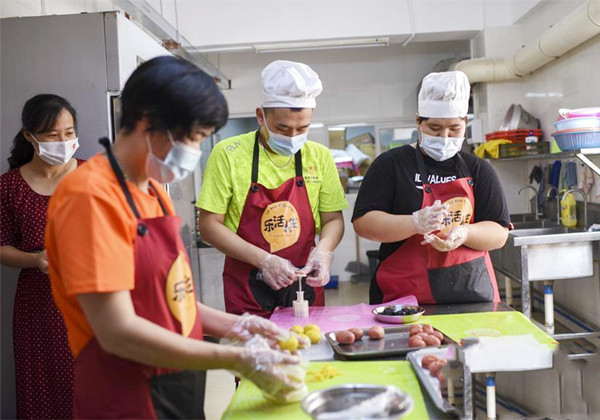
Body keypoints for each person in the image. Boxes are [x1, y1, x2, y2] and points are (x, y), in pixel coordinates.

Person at [45, 56, 303, 419]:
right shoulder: (89, 196)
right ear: (149, 121)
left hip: (178, 378)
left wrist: (239, 325)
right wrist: (236, 358)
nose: (194, 152)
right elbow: (117, 331)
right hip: (126, 394)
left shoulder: (153, 191)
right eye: (192, 137)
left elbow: (170, 303)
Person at [197, 60, 348, 318]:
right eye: (282, 128)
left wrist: (324, 251)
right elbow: (209, 226)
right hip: (248, 287)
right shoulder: (229, 154)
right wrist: (264, 261)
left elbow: (333, 219)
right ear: (261, 116)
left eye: (302, 129)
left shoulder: (319, 157)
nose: (293, 137)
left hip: (304, 286)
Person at [352, 71, 510, 305]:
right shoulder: (391, 165)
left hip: (470, 297)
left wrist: (465, 232)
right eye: (435, 128)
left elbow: (498, 232)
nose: (445, 137)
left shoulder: (478, 169)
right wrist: (414, 223)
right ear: (418, 121)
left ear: (465, 123)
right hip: (403, 299)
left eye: (454, 129)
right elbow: (363, 223)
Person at [0, 94, 84, 419]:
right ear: (29, 136)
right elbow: (3, 247)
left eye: (69, 132)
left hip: (93, 302)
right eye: (52, 135)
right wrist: (36, 260)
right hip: (38, 307)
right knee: (43, 390)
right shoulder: (9, 188)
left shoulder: (97, 177)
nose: (63, 141)